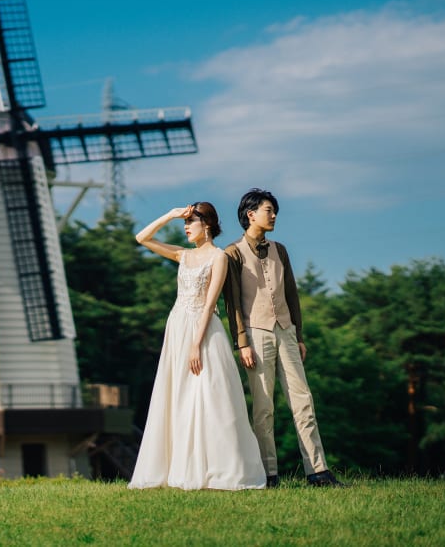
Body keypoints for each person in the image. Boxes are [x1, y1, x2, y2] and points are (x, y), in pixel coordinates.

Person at [128, 202, 266, 490]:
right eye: (185, 224)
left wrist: (196, 344)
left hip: (202, 330)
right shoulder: (182, 255)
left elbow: (209, 304)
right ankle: (178, 466)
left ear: (207, 224)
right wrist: (170, 214)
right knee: (177, 395)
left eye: (191, 222)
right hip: (177, 327)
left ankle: (217, 469)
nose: (187, 228)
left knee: (209, 396)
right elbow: (142, 238)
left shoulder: (219, 258)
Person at [223, 188, 346, 487]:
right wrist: (241, 341)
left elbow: (292, 293)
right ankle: (269, 475)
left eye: (274, 210)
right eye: (269, 210)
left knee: (303, 401)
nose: (274, 215)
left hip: (286, 331)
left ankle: (318, 471)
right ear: (251, 214)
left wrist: (298, 334)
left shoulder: (281, 250)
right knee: (263, 408)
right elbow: (232, 303)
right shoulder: (233, 253)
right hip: (255, 334)